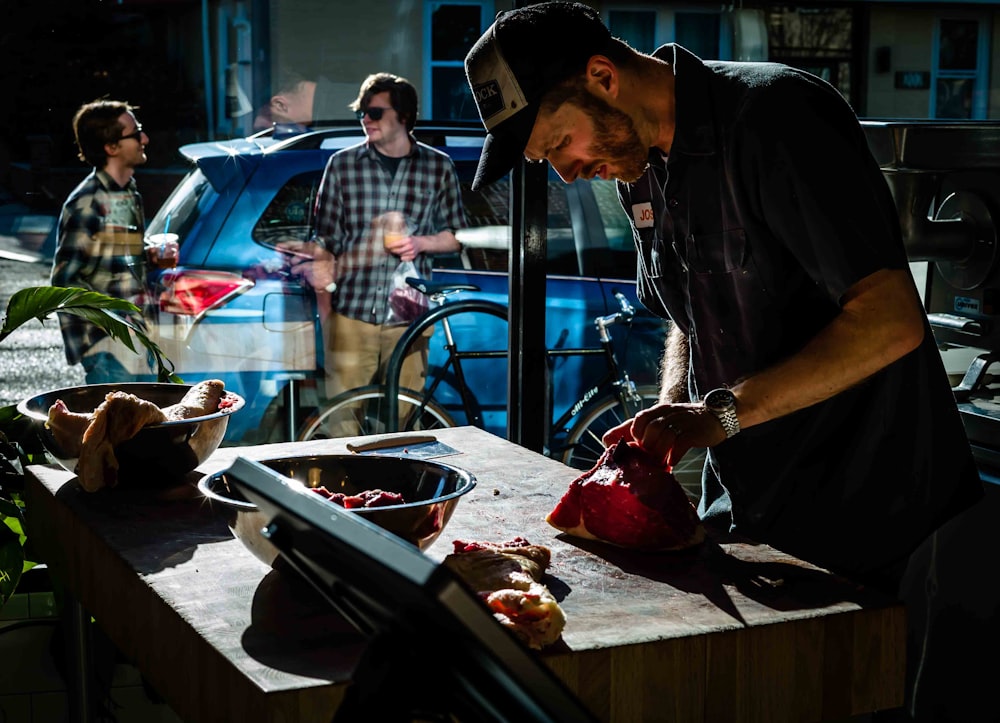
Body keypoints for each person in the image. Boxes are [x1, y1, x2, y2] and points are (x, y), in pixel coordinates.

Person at [464, 3, 984, 720]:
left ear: (603, 77)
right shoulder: (640, 171)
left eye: (560, 143)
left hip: (882, 517)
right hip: (758, 514)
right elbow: (688, 317)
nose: (569, 172)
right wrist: (674, 406)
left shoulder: (777, 119)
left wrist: (720, 412)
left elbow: (890, 321)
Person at [301, 72, 465, 401]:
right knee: (342, 419)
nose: (365, 119)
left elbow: (456, 236)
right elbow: (324, 244)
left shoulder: (438, 167)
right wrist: (327, 319)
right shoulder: (342, 165)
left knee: (404, 421)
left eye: (374, 112)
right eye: (362, 111)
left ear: (403, 116)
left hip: (409, 318)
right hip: (353, 315)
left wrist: (420, 243)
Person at [50, 99, 164, 384]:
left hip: (138, 340)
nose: (144, 139)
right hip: (110, 348)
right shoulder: (88, 202)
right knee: (119, 428)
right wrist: (112, 330)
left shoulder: (127, 193)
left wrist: (149, 253)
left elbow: (111, 255)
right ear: (112, 148)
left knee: (144, 427)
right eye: (136, 133)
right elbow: (65, 281)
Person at [252, 68, 343, 131]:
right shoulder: (345, 109)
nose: (266, 138)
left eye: (265, 130)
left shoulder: (338, 127)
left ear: (279, 105)